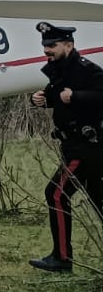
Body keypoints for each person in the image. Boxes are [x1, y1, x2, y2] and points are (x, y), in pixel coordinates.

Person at [29, 23, 103, 273]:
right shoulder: (60, 70)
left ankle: (61, 259)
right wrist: (39, 100)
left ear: (69, 45)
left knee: (56, 194)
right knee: (99, 200)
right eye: (45, 46)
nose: (46, 50)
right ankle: (61, 258)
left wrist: (77, 97)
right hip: (73, 144)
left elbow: (90, 96)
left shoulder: (88, 71)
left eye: (52, 45)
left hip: (85, 146)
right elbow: (58, 97)